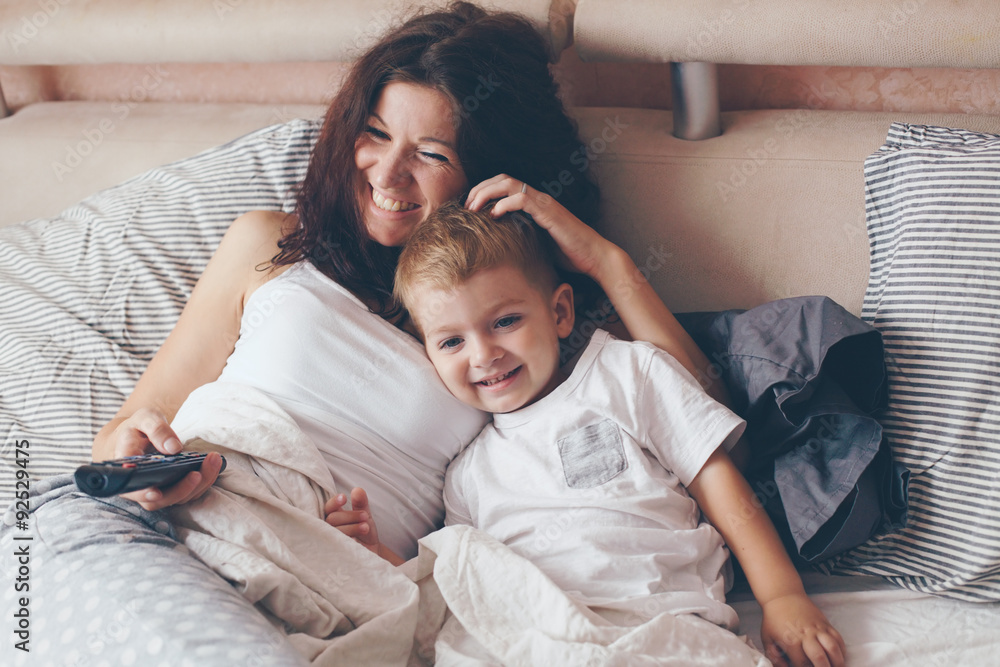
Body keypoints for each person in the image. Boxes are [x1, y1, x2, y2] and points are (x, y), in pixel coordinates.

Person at [2, 2, 734, 664]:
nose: (388, 172)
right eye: (375, 134)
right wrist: (141, 450)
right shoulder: (268, 244)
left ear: (489, 173)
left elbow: (690, 403)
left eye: (432, 153)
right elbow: (123, 432)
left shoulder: (511, 326)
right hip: (158, 533)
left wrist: (606, 262)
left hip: (327, 603)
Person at [327, 202, 847, 667]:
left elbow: (718, 481)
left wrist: (781, 596)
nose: (483, 355)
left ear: (559, 311)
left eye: (505, 321)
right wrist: (382, 557)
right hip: (531, 637)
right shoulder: (467, 471)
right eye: (451, 341)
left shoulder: (627, 373)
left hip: (657, 625)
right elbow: (463, 587)